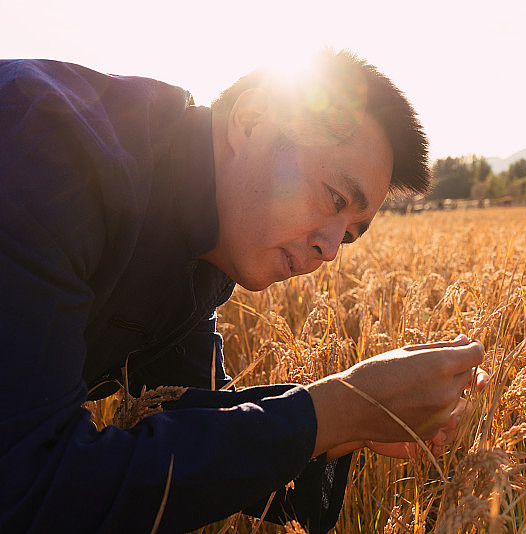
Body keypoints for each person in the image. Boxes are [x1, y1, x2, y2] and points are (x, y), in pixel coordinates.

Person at [0, 50, 486, 533]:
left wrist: (356, 423)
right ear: (251, 119)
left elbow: (198, 424)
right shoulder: (45, 142)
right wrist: (338, 410)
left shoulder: (199, 252)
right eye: (335, 198)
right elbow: (28, 483)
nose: (332, 247)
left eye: (351, 233)